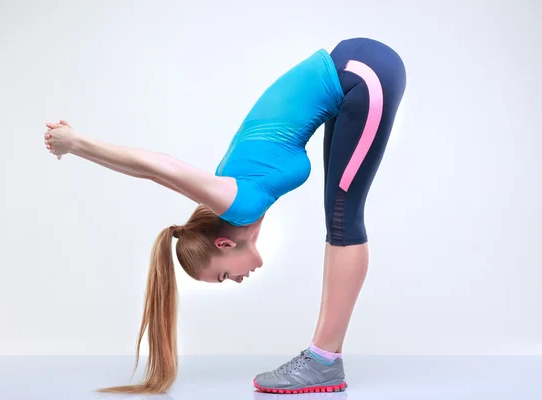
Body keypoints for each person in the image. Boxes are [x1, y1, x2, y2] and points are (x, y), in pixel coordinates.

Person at [43, 37, 406, 394]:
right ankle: (325, 356)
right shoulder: (235, 195)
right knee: (339, 219)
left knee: (343, 220)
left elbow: (155, 168)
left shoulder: (238, 202)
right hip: (354, 73)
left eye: (223, 275)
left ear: (224, 243)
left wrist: (76, 144)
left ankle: (323, 361)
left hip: (362, 74)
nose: (236, 280)